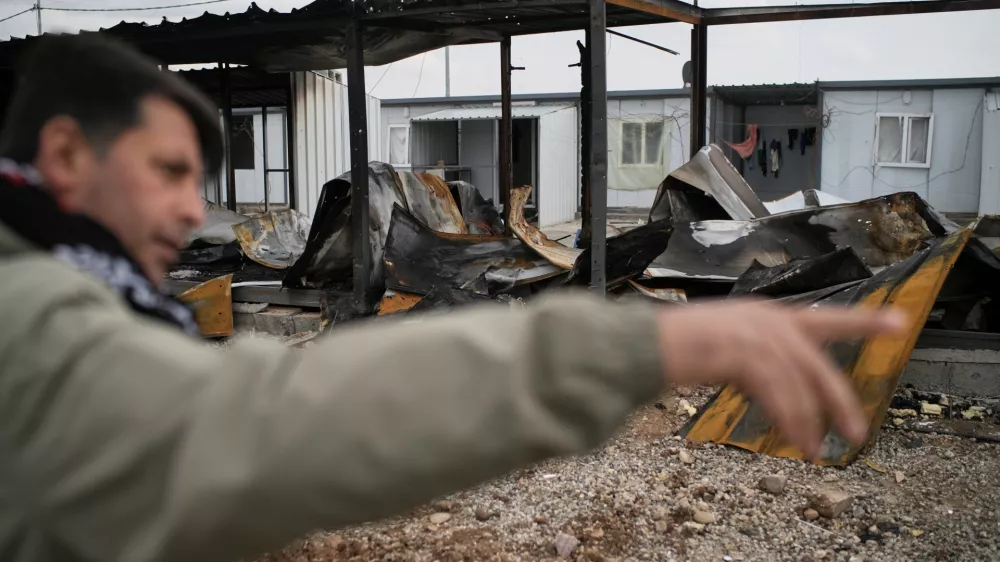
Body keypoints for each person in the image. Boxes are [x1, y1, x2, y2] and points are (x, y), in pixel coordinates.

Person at [0, 34, 904, 562]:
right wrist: (633, 346)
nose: (188, 211)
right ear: (68, 154)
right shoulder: (26, 311)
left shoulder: (73, 290)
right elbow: (253, 424)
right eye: (165, 172)